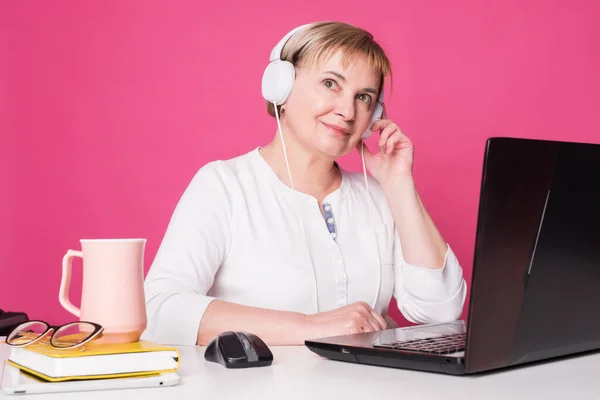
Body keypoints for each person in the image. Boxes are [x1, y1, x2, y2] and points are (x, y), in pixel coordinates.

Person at [142, 21, 467, 347]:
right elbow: (160, 309)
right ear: (280, 87)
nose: (347, 111)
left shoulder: (378, 198)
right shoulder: (224, 186)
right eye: (330, 83)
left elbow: (440, 310)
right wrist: (311, 328)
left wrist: (399, 184)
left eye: (364, 98)